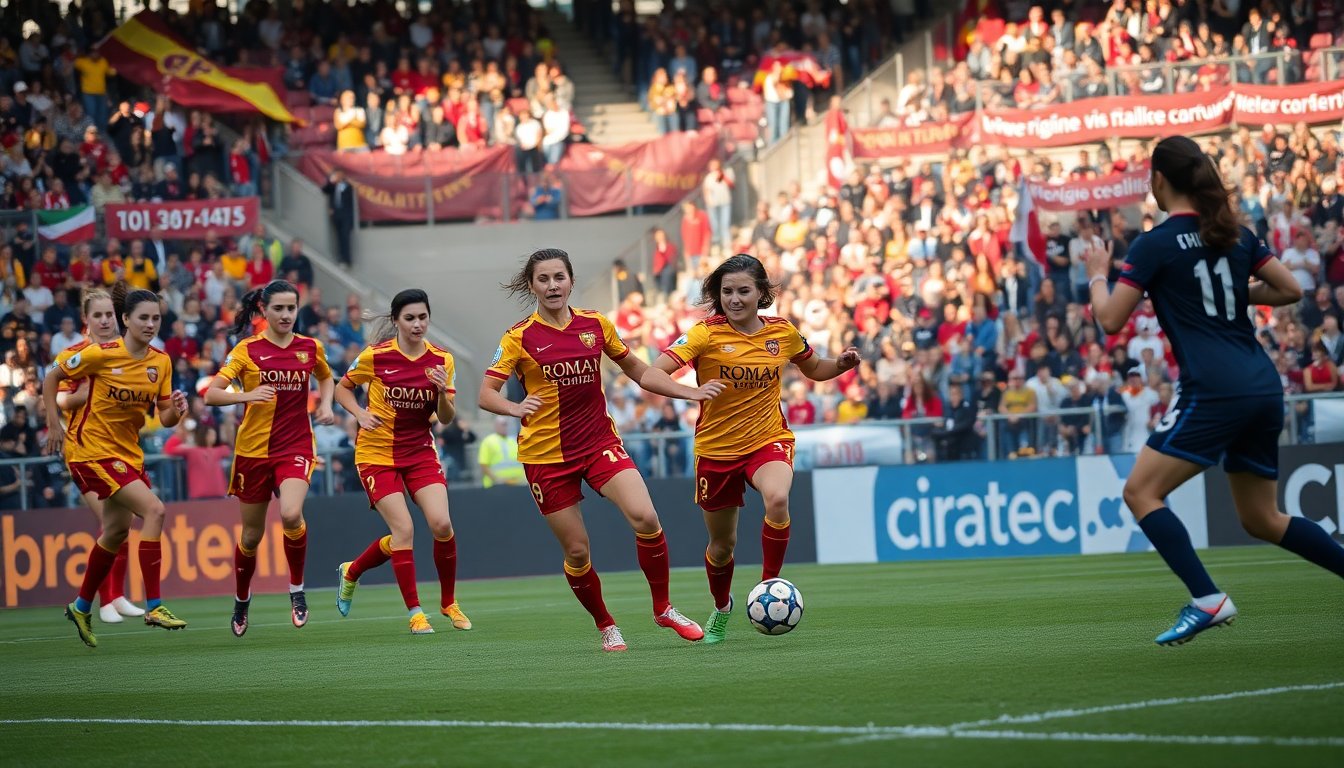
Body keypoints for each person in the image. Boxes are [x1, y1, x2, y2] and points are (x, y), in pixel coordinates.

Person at [1087, 135, 1344, 647]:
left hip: (1214, 388)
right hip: (1261, 385)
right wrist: (1233, 293)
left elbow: (1111, 319)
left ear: (1159, 180)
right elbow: (1290, 289)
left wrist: (1097, 275)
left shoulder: (1154, 244)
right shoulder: (1234, 234)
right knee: (1262, 518)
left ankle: (1207, 598)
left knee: (1140, 492)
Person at [478, 248, 722, 652]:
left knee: (646, 517)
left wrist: (688, 392)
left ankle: (663, 608)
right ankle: (606, 624)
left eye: (559, 277)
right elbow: (486, 393)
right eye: (543, 279)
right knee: (577, 551)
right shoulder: (518, 337)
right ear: (532, 286)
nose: (552, 286)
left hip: (598, 443)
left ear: (571, 281)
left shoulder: (596, 324)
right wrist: (514, 407)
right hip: (545, 456)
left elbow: (640, 371)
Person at [653, 253, 860, 644]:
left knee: (777, 499)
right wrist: (691, 392)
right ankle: (722, 607)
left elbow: (815, 368)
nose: (734, 299)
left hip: (768, 439)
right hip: (716, 451)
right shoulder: (704, 334)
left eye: (743, 291)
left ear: (762, 293)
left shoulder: (782, 332)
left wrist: (842, 364)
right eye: (727, 291)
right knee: (722, 546)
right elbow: (652, 373)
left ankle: (768, 588)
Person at [46, 283, 191, 647]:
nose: (150, 324)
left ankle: (81, 606)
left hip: (127, 454)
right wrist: (53, 424)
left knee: (114, 532)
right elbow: (52, 377)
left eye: (156, 318)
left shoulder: (161, 362)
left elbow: (165, 417)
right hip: (90, 450)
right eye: (143, 318)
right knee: (155, 510)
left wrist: (177, 410)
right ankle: (154, 606)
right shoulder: (99, 354)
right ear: (125, 319)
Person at [334, 290, 471, 635]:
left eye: (423, 317)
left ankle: (448, 602)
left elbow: (446, 418)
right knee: (404, 531)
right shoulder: (375, 356)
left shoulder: (442, 360)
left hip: (419, 451)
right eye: (410, 318)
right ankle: (415, 613)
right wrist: (359, 413)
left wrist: (442, 392)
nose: (417, 324)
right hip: (376, 453)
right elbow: (342, 389)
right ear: (396, 321)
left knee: (442, 524)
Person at [205, 280, 336, 637]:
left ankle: (297, 591)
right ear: (264, 310)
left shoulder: (310, 347)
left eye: (291, 308)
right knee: (251, 536)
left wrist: (325, 405)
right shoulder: (246, 350)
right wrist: (246, 396)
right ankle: (242, 599)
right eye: (278, 308)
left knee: (291, 514)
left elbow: (327, 378)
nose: (286, 315)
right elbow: (212, 395)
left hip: (295, 446)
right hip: (252, 452)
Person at [52, 288, 146, 625]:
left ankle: (116, 596)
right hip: (85, 450)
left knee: (122, 524)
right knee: (110, 523)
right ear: (86, 319)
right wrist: (88, 393)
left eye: (109, 315)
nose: (105, 321)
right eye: (98, 315)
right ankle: (104, 601)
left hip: (120, 449)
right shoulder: (75, 354)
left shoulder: (126, 351)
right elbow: (61, 399)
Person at [478, 415, 524, 487]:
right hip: (496, 485)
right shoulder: (488, 441)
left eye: (506, 424)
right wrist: (496, 480)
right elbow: (483, 465)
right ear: (496, 425)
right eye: (503, 424)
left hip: (517, 483)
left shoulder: (514, 441)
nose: (505, 427)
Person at [323, 170, 356, 267]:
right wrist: (330, 182)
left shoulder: (346, 186)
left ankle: (347, 259)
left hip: (346, 216)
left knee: (345, 236)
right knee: (339, 237)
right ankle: (341, 257)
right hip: (336, 215)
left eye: (337, 175)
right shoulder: (333, 187)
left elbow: (348, 193)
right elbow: (325, 190)